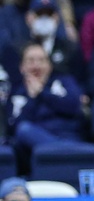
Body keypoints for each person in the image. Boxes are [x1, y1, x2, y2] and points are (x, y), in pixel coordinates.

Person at [6, 42, 88, 172]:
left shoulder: (64, 82)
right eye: (31, 61)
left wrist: (42, 93)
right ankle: (64, 155)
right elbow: (15, 128)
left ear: (49, 65)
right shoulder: (17, 94)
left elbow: (74, 106)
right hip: (35, 150)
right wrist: (33, 98)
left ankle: (62, 153)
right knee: (24, 130)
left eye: (41, 60)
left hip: (70, 139)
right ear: (22, 67)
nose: (36, 65)